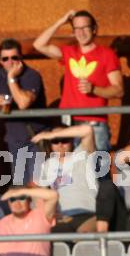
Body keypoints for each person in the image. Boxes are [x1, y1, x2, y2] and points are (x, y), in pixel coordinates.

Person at [33, 10, 123, 152]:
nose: (81, 32)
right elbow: (39, 45)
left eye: (85, 27)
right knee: (71, 171)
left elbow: (119, 90)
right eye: (77, 29)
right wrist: (61, 21)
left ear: (94, 29)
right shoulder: (69, 52)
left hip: (95, 123)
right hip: (68, 122)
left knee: (97, 171)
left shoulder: (107, 55)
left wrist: (94, 89)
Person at [0, 39, 47, 185]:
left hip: (36, 140)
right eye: (5, 59)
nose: (10, 62)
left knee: (38, 186)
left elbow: (23, 103)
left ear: (21, 58)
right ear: (0, 61)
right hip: (14, 141)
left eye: (14, 57)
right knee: (21, 187)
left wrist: (11, 78)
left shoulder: (31, 75)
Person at [32, 123, 98, 233]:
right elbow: (41, 197)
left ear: (72, 140)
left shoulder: (83, 154)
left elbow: (87, 129)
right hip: (62, 218)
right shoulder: (47, 165)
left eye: (64, 140)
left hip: (87, 214)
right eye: (55, 141)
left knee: (83, 242)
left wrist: (51, 134)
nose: (60, 144)